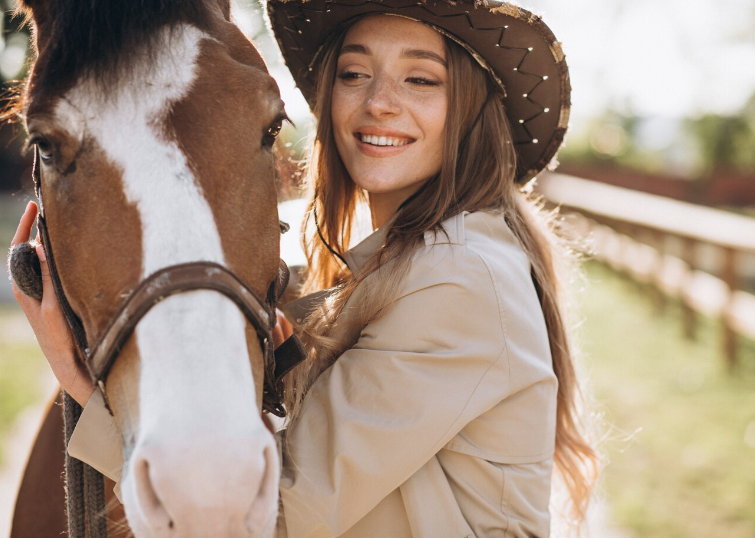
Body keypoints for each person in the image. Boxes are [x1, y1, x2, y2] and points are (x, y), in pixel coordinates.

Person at [11, 0, 599, 536]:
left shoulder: (461, 277)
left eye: (420, 78)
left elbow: (266, 520)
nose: (378, 103)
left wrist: (75, 377)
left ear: (469, 105)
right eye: (353, 73)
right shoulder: (393, 260)